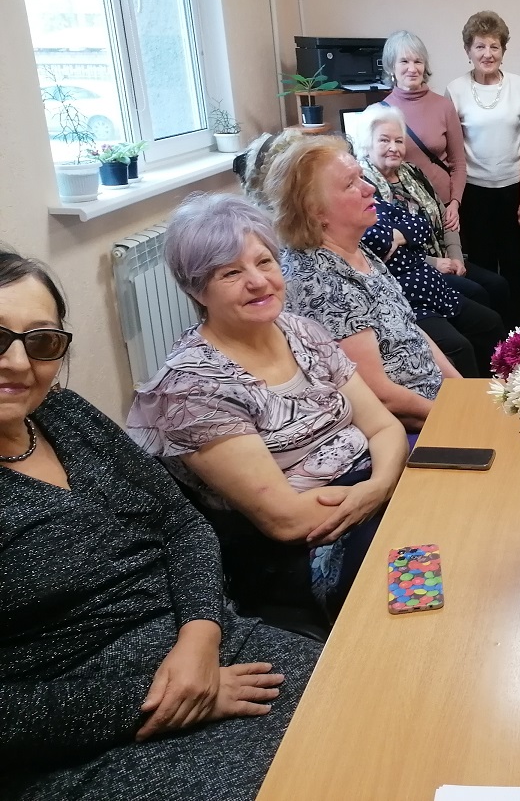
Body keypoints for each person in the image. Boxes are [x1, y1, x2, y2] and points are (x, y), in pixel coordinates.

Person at [0, 250, 321, 800]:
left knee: (378, 698)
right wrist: (160, 700)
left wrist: (200, 636)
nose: (18, 363)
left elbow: (180, 523)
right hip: (95, 733)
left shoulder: (64, 414)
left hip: (213, 645)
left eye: (42, 342)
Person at [126, 195, 407, 618]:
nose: (258, 281)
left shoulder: (301, 330)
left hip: (371, 491)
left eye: (264, 262)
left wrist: (380, 485)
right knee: (439, 562)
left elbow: (384, 427)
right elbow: (286, 520)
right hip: (305, 549)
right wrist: (376, 494)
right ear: (195, 289)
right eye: (231, 272)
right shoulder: (191, 388)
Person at [265, 135, 452, 429]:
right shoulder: (320, 282)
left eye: (361, 177)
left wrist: (460, 388)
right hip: (401, 425)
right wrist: (454, 417)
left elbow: (408, 327)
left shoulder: (356, 248)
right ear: (315, 210)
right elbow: (380, 396)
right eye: (350, 184)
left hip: (434, 401)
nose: (370, 189)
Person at [354, 104, 506, 374]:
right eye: (384, 140)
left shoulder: (413, 173)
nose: (394, 148)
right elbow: (379, 246)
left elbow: (435, 219)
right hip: (418, 271)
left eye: (399, 141)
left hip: (440, 257)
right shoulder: (364, 185)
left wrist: (456, 257)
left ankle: (504, 369)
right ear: (367, 144)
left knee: (497, 288)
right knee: (477, 296)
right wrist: (434, 261)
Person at [445, 11, 520, 328]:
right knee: (482, 266)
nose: (487, 54)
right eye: (480, 46)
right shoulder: (455, 89)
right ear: (468, 50)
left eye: (494, 46)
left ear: (503, 50)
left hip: (513, 189)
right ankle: (491, 333)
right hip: (474, 192)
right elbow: (452, 148)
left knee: (515, 265)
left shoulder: (518, 85)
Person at [380, 30, 466, 232]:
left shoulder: (444, 107)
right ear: (391, 66)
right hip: (402, 212)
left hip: (444, 209)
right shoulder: (379, 113)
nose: (412, 69)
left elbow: (458, 163)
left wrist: (455, 203)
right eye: (404, 61)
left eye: (418, 61)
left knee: (453, 253)